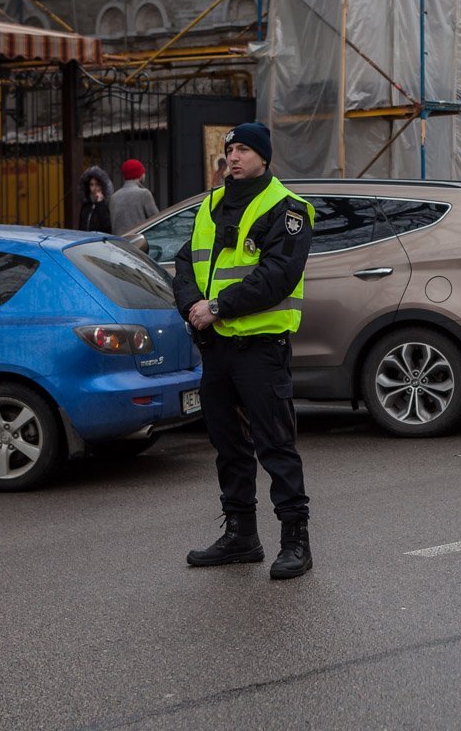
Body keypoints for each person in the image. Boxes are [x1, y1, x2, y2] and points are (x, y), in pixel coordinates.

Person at [172, 121, 316, 580]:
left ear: (264, 157)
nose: (233, 156)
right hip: (216, 348)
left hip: (260, 347)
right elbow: (185, 262)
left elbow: (277, 276)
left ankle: (295, 540)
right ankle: (241, 535)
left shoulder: (286, 208)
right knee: (227, 445)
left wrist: (217, 306)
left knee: (276, 445)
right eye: (230, 149)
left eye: (244, 150)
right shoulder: (210, 204)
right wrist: (191, 306)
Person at [109, 159, 159, 235]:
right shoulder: (144, 194)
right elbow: (156, 220)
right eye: (143, 172)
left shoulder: (114, 197)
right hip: (139, 242)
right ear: (140, 175)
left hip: (118, 243)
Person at [78, 166, 112, 233]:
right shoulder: (86, 204)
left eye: (97, 184)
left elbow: (107, 226)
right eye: (91, 184)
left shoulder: (107, 204)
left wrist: (100, 203)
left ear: (102, 186)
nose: (94, 188)